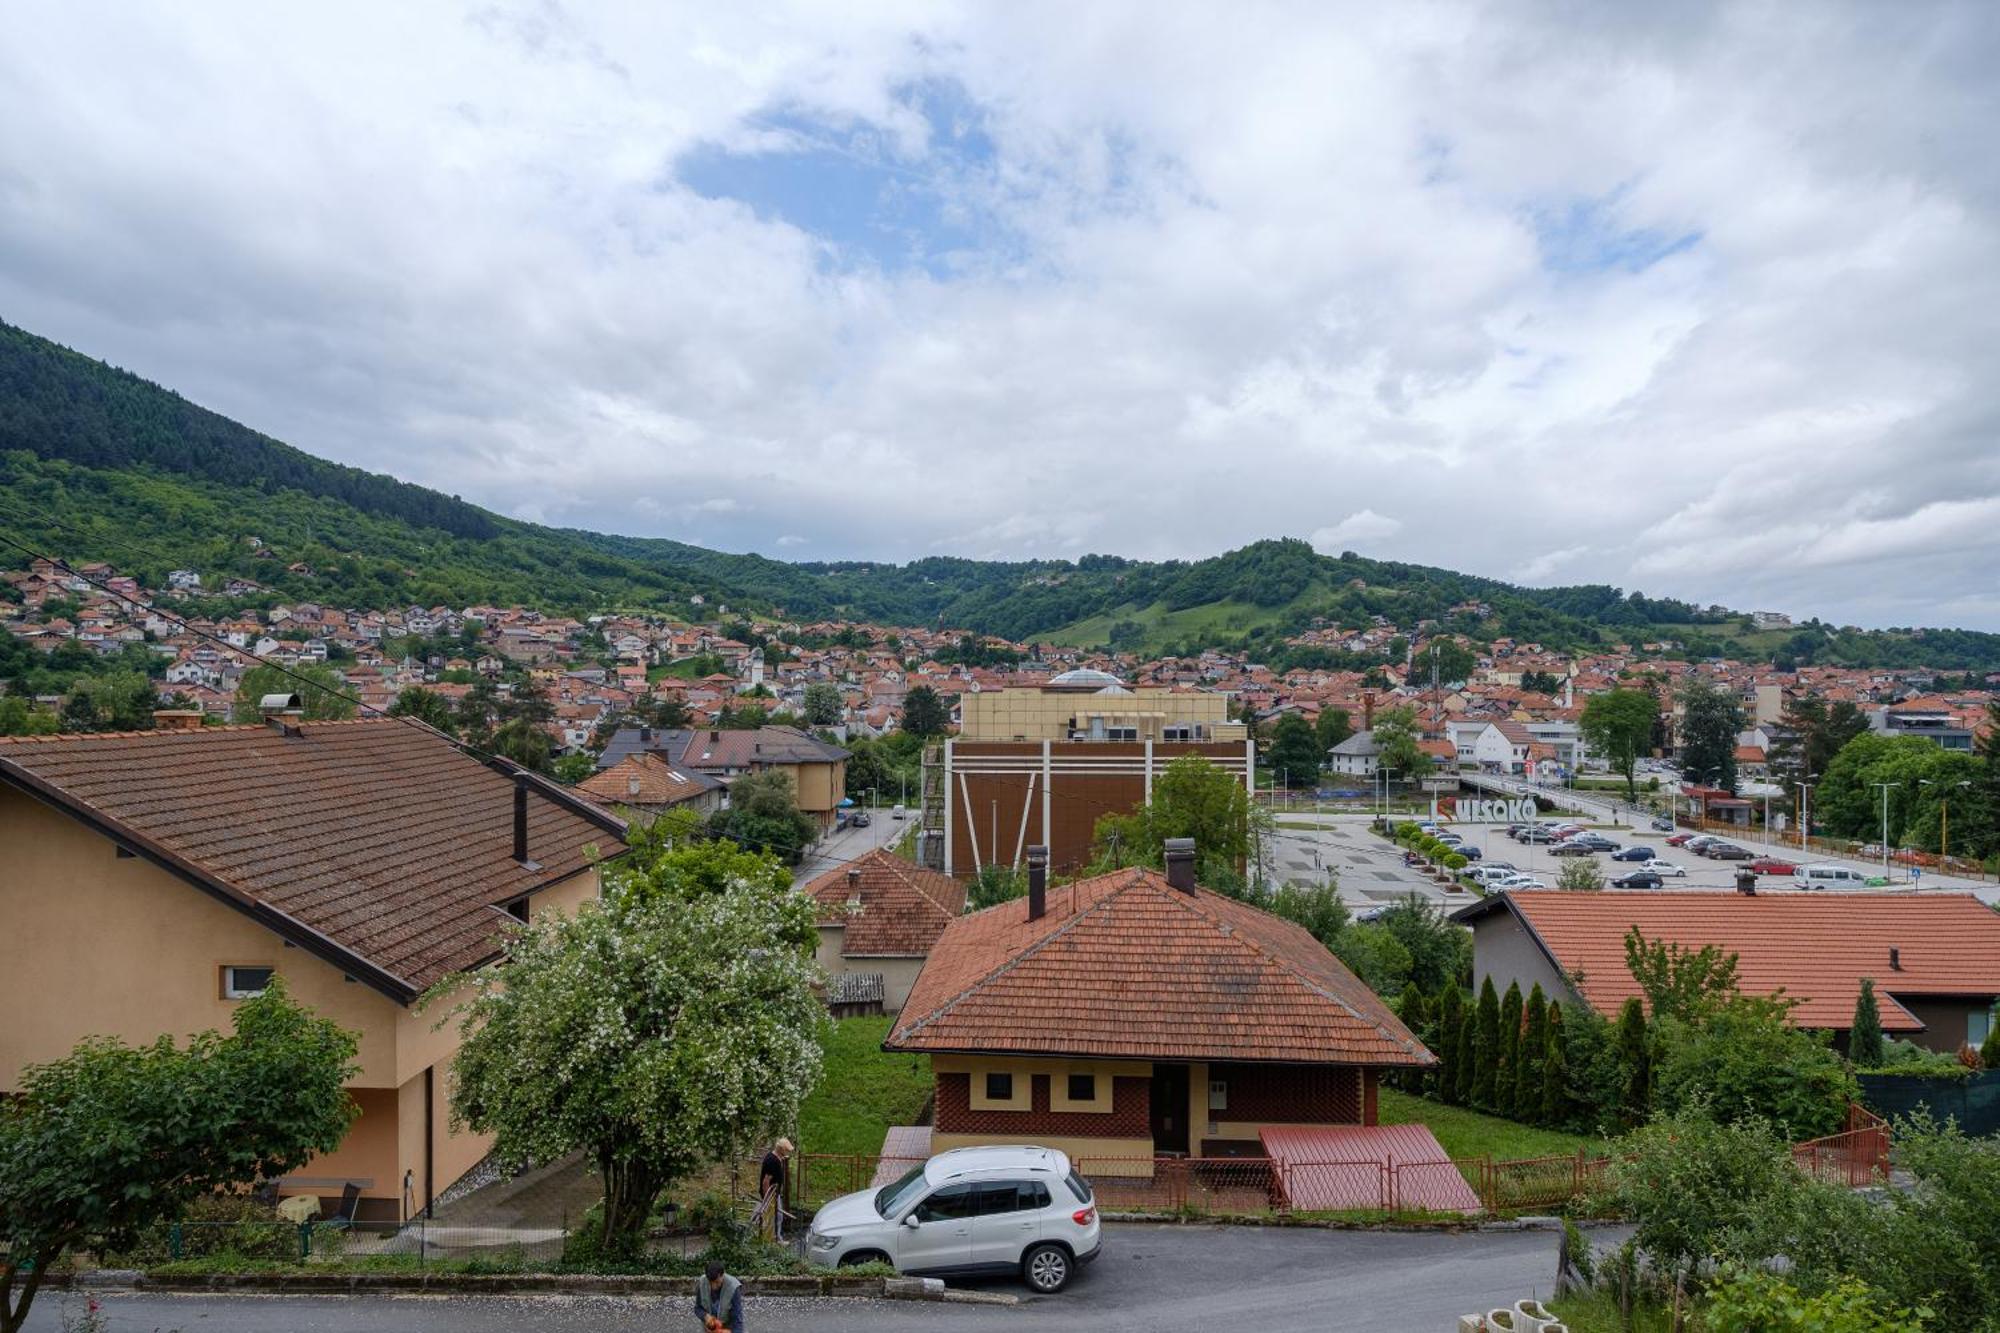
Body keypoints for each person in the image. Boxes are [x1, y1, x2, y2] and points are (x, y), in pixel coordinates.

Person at [757, 1137, 793, 1240]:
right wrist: (767, 1200)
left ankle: (774, 1238)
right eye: (787, 1150)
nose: (788, 1153)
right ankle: (776, 1239)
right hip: (771, 1194)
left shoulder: (775, 1157)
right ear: (781, 1150)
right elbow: (766, 1182)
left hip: (774, 1193)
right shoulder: (773, 1162)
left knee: (776, 1217)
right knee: (777, 1217)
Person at [694, 1259, 743, 1333]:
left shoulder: (733, 1287)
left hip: (727, 1329)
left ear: (722, 1275)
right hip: (709, 1329)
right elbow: (698, 1308)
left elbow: (737, 1320)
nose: (714, 1286)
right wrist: (705, 1316)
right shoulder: (702, 1282)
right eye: (711, 1283)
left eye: (717, 1282)